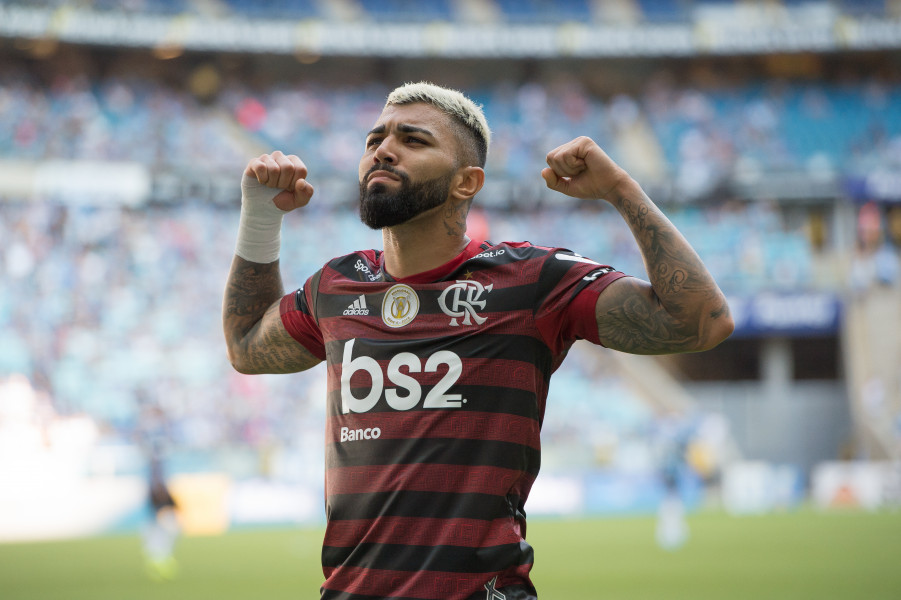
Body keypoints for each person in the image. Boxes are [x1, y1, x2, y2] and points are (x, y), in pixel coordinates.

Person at [223, 82, 733, 600]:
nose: (383, 148)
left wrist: (620, 188)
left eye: (414, 140)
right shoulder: (334, 287)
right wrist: (262, 217)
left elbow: (701, 321)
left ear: (467, 182)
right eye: (374, 137)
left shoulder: (534, 281)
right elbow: (246, 345)